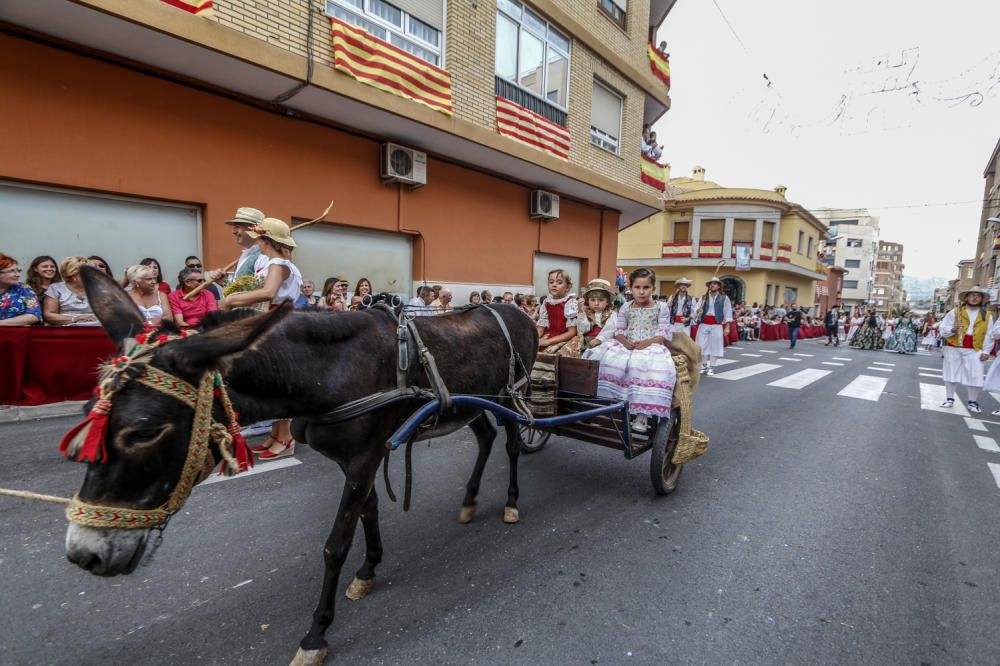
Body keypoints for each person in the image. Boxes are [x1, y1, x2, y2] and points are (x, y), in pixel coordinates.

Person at [219, 217, 302, 459]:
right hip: (277, 323)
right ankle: (276, 435)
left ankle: (285, 438)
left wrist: (231, 300)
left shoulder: (277, 262)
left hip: (277, 324)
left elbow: (268, 292)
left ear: (266, 240)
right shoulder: (280, 261)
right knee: (273, 383)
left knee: (279, 384)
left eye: (259, 238)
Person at [596, 268, 676, 434]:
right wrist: (624, 341)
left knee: (645, 367)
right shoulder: (626, 306)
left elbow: (663, 334)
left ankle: (642, 414)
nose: (641, 292)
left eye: (646, 287)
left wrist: (647, 343)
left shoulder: (661, 307)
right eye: (637, 287)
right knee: (608, 361)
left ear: (653, 288)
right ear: (630, 289)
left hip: (652, 347)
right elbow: (619, 329)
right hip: (628, 345)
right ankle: (609, 408)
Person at [938, 286, 993, 413]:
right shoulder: (956, 312)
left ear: (981, 299)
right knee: (951, 373)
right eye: (972, 295)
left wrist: (986, 351)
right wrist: (952, 329)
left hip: (974, 348)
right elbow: (943, 328)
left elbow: (989, 334)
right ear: (967, 297)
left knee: (976, 374)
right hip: (954, 346)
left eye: (978, 295)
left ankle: (972, 402)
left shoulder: (987, 315)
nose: (974, 298)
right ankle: (949, 399)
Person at [42, 256, 99, 326]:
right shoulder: (56, 288)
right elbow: (49, 314)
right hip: (67, 329)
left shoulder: (99, 289)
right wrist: (75, 319)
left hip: (96, 327)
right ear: (73, 275)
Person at [694, 277, 733, 375]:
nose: (713, 285)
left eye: (715, 284)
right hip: (704, 323)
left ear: (719, 286)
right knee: (701, 345)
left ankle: (711, 366)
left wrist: (727, 326)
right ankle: (703, 365)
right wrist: (697, 312)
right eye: (711, 284)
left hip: (716, 325)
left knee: (714, 346)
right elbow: (696, 310)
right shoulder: (704, 297)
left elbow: (728, 312)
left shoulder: (724, 298)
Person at [536, 269, 579, 356]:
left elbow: (572, 332)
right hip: (549, 335)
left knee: (556, 355)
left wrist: (548, 341)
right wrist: (534, 339)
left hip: (565, 338)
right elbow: (541, 328)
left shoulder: (570, 303)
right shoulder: (546, 302)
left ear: (567, 287)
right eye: (551, 282)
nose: (554, 285)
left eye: (559, 283)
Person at [578, 279, 617, 362]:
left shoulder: (611, 314)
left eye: (600, 300)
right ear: (587, 301)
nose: (596, 303)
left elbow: (610, 329)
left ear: (607, 301)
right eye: (592, 300)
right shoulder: (585, 313)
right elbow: (583, 329)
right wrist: (581, 313)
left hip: (603, 342)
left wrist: (599, 339)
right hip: (585, 341)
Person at [0, 253, 42, 325]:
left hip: (19, 334)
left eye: (18, 271)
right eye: (12, 271)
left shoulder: (23, 288)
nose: (18, 275)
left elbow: (34, 316)